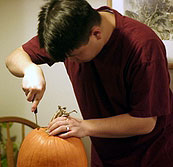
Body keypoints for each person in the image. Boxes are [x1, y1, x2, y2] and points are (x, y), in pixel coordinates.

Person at [5, 0, 173, 166]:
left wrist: (84, 126)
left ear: (96, 34)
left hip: (150, 156)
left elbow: (145, 122)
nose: (69, 60)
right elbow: (14, 57)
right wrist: (30, 69)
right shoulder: (69, 31)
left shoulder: (144, 48)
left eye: (74, 56)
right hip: (104, 154)